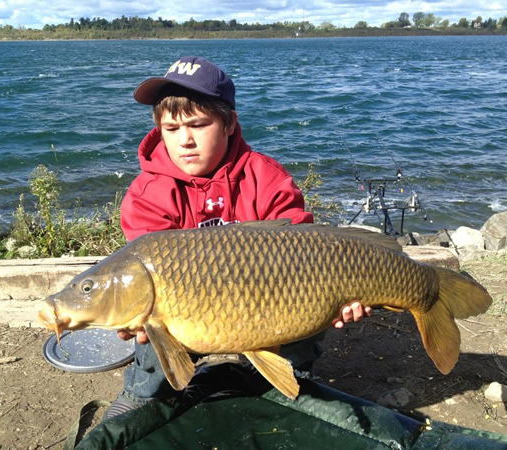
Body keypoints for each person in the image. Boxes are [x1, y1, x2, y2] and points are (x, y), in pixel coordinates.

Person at [106, 56, 371, 419]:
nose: (184, 140)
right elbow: (150, 269)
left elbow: (306, 250)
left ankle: (291, 373)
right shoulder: (146, 193)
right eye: (171, 128)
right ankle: (144, 391)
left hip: (273, 300)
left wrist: (342, 296)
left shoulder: (266, 177)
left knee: (312, 297)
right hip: (188, 311)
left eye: (198, 125)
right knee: (152, 318)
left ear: (229, 123)